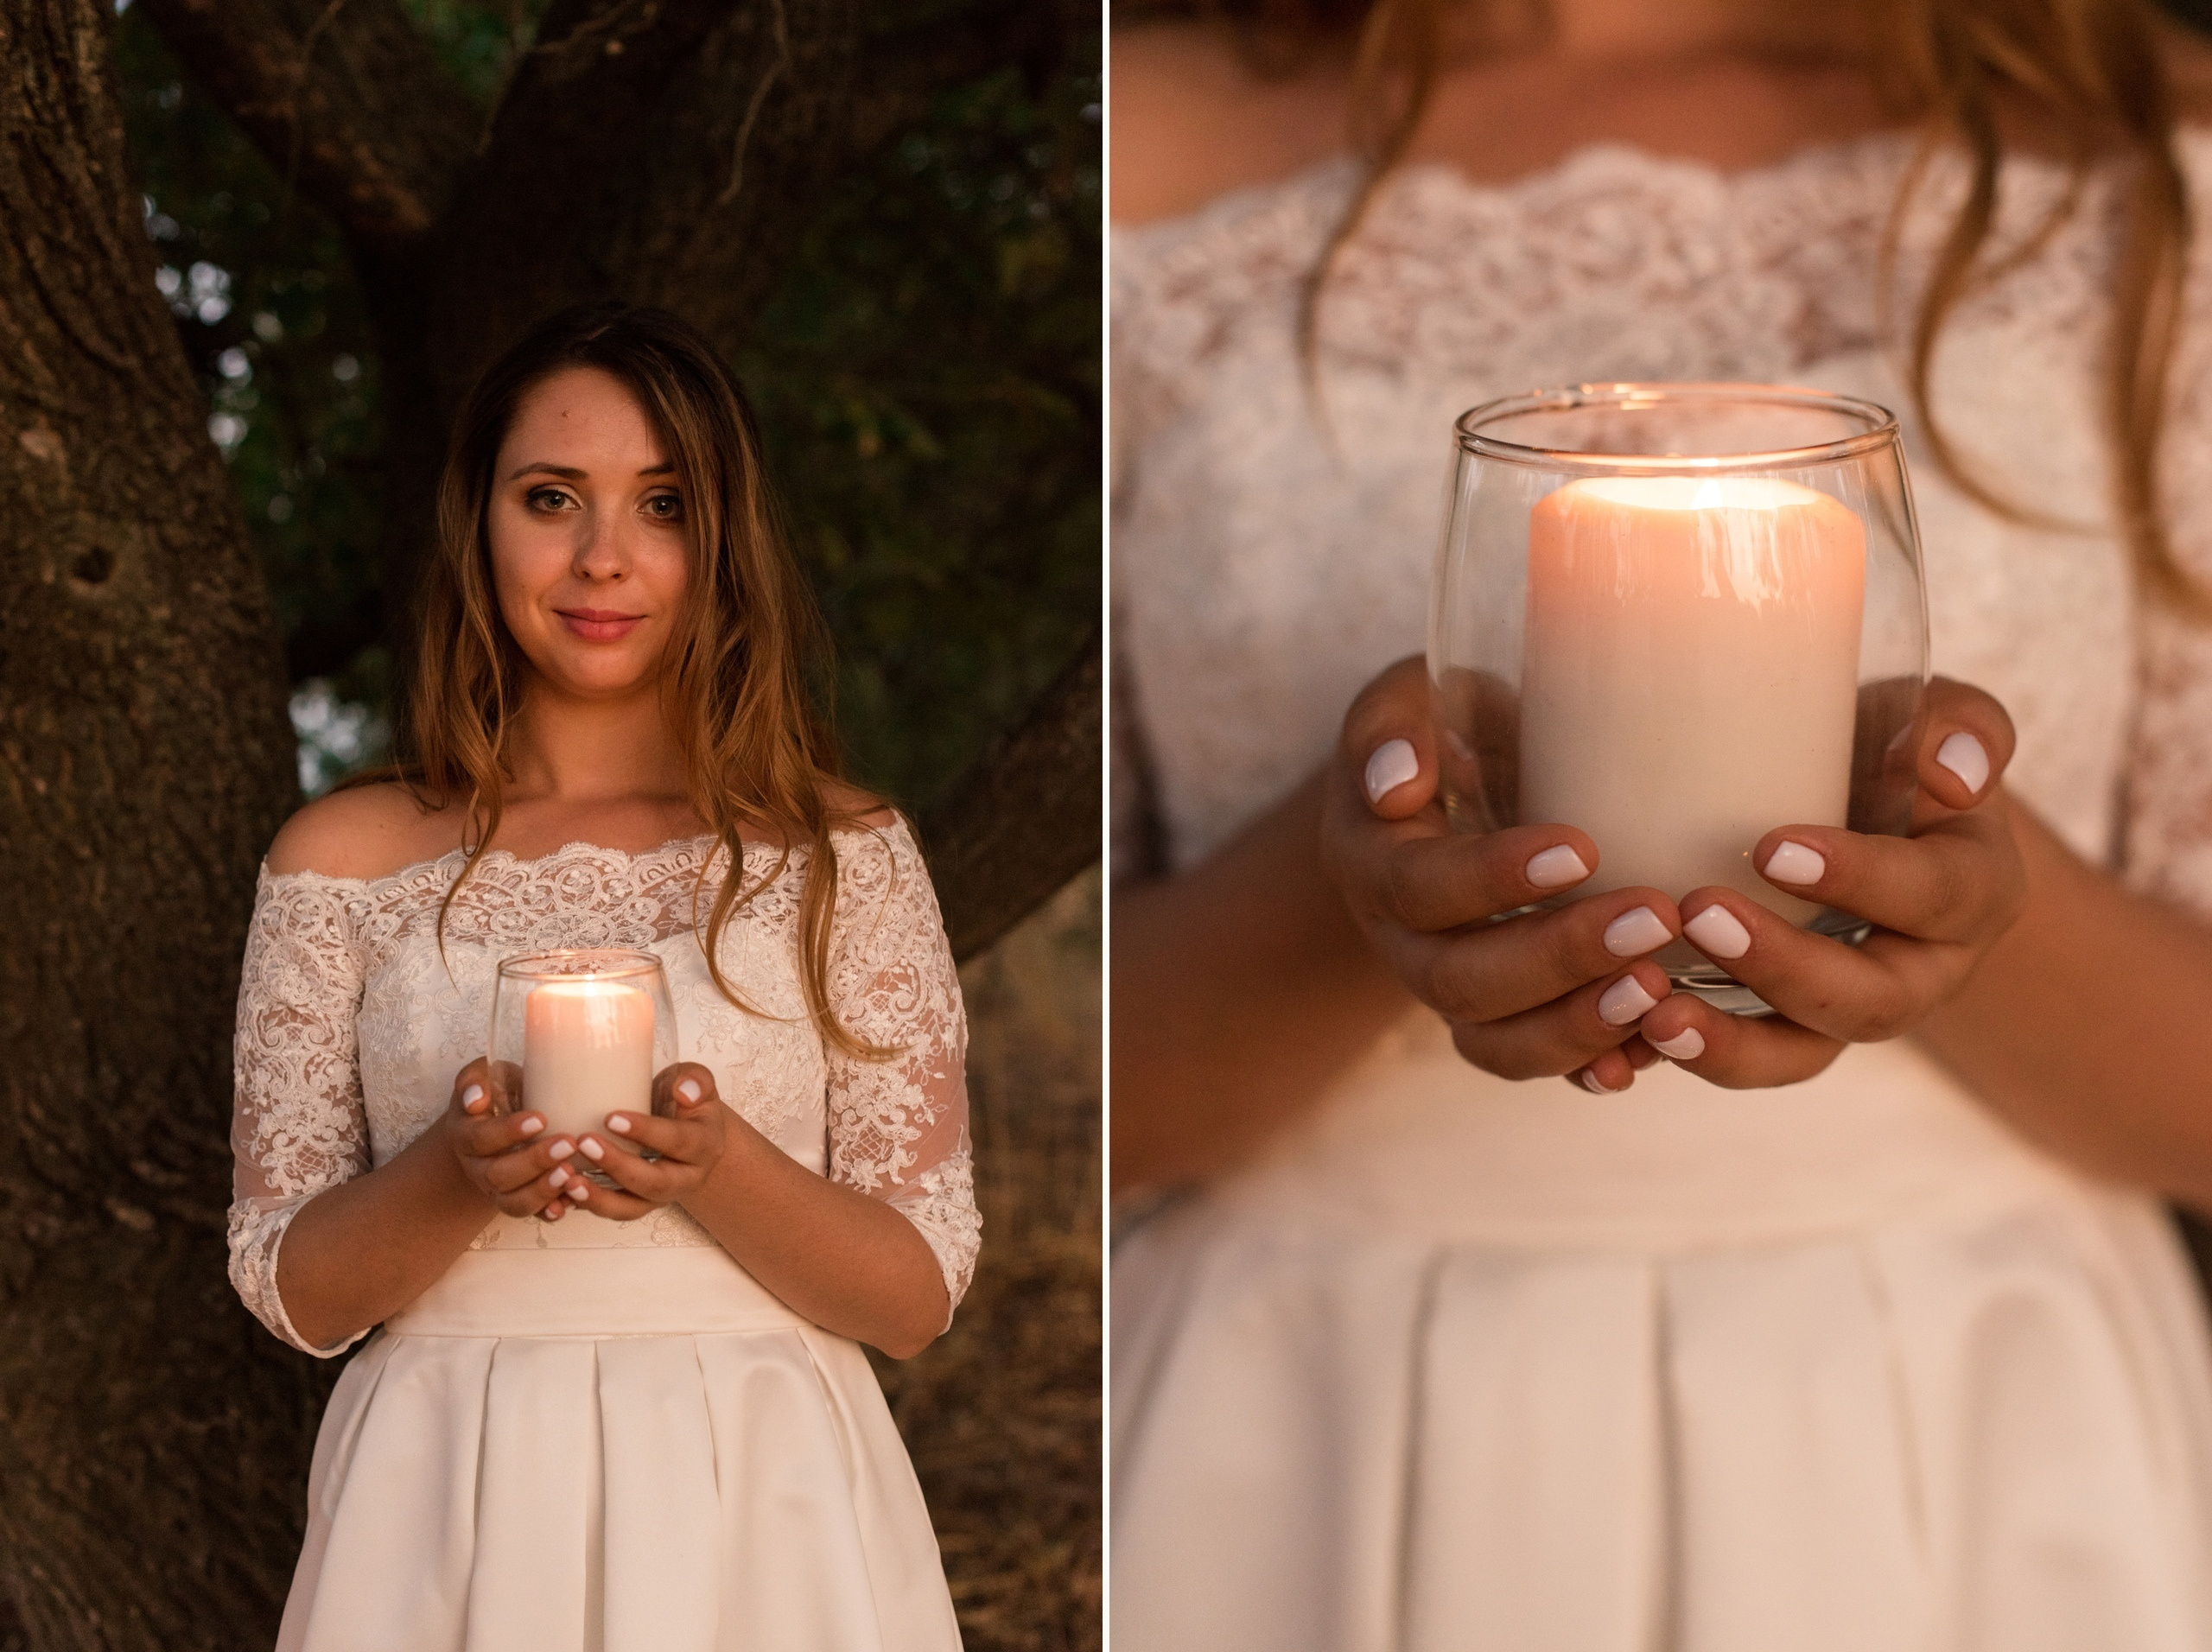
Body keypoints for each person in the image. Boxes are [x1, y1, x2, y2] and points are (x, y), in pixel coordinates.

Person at [1111, 1, 2212, 1645]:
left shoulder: (2151, 149)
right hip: (1311, 1418)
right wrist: (1375, 864)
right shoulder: (1135, 136)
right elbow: (1058, 1103)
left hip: (1972, 1411)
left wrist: (1961, 887)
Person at [227, 303, 976, 1651]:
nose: (602, 558)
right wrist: (453, 1174)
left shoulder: (839, 855)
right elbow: (295, 1291)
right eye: (552, 497)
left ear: (722, 539)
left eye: (664, 503)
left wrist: (720, 1165)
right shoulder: (341, 858)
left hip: (765, 1503)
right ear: (479, 523)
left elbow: (915, 1297)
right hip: (443, 1500)